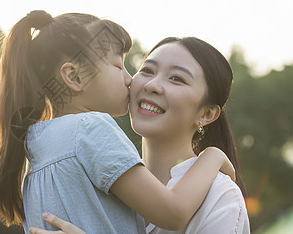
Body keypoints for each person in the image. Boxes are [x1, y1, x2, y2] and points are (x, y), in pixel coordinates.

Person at [0, 11, 235, 234]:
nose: (131, 79)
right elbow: (174, 213)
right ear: (74, 77)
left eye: (176, 78)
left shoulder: (35, 146)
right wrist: (213, 155)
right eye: (118, 66)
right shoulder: (91, 128)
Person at [29, 37, 250, 234]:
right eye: (147, 71)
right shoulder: (95, 183)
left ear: (207, 113)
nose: (152, 85)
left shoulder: (220, 197)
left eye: (176, 78)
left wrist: (211, 155)